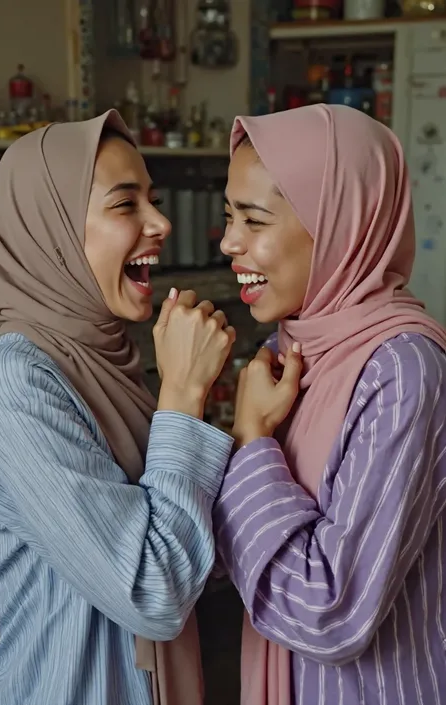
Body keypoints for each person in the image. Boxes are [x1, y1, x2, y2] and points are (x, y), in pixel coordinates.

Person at [0, 109, 236, 705]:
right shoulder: (14, 382)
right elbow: (154, 592)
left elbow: (196, 552)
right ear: (52, 231)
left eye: (154, 199)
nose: (161, 222)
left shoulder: (103, 362)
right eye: (126, 205)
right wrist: (183, 396)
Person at [213, 104, 446, 705]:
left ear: (341, 223)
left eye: (254, 219)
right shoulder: (287, 347)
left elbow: (330, 610)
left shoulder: (403, 371)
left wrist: (252, 443)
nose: (229, 241)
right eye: (228, 215)